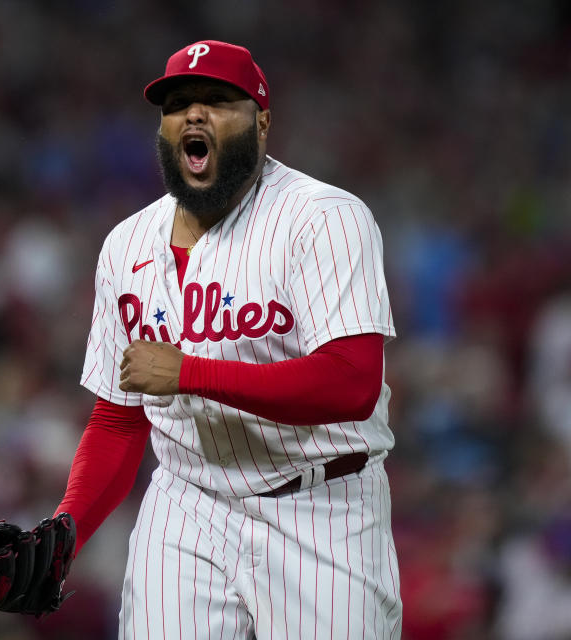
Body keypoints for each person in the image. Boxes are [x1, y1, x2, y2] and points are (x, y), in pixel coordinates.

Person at [57, 39, 402, 638]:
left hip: (321, 505)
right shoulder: (126, 244)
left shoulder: (324, 217)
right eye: (178, 104)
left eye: (217, 100)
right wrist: (68, 528)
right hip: (186, 503)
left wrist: (190, 372)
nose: (194, 113)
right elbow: (118, 420)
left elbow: (352, 381)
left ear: (262, 122)